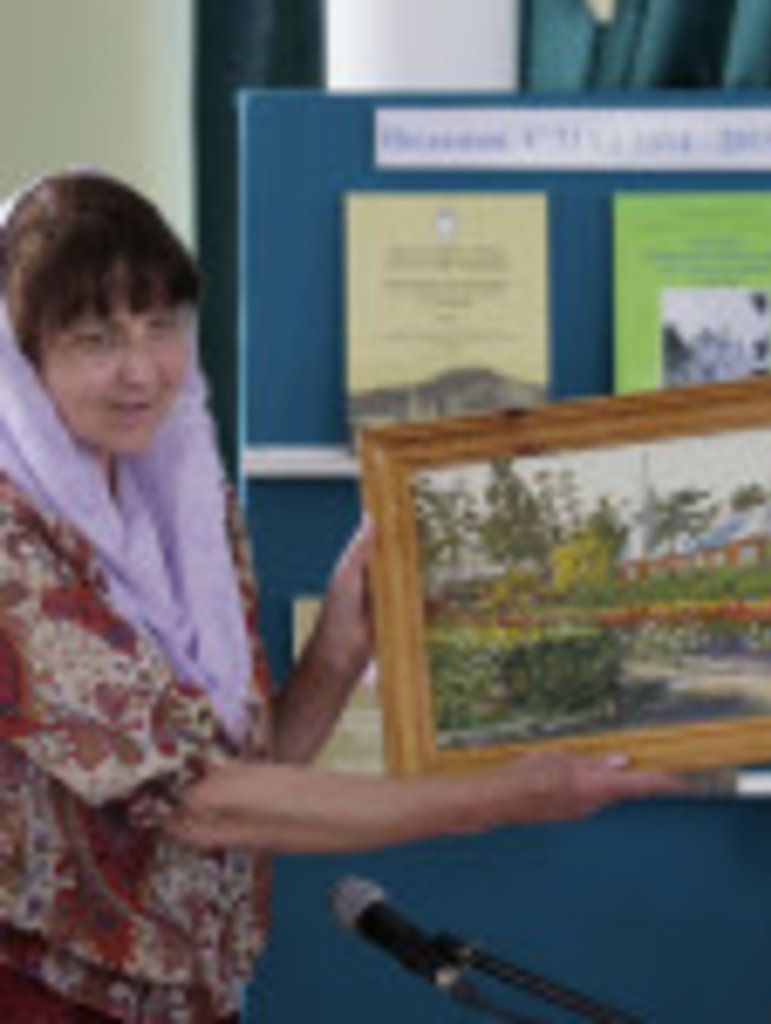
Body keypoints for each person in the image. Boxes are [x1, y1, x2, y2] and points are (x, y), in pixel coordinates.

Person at [0, 170, 684, 1023]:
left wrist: (336, 651)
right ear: (22, 361)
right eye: (95, 339)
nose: (142, 370)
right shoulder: (12, 541)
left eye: (162, 325)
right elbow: (200, 802)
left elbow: (255, 777)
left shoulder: (185, 508)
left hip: (195, 1000)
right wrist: (506, 796)